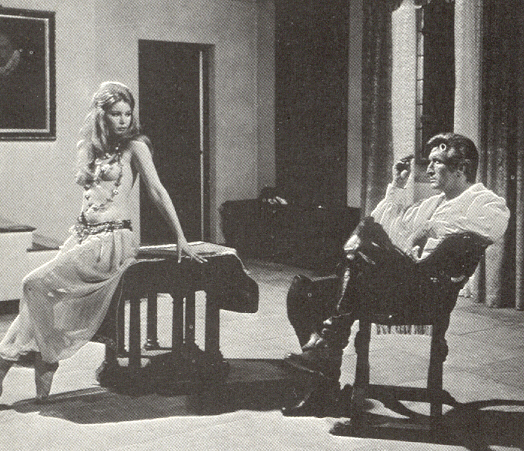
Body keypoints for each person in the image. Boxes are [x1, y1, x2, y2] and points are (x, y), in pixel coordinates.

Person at [0, 81, 205, 402]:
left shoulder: (136, 147)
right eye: (115, 114)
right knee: (39, 293)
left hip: (113, 241)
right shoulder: (88, 146)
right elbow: (90, 199)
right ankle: (21, 360)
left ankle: (35, 358)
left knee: (32, 283)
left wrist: (180, 236)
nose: (123, 120)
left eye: (127, 113)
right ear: (102, 115)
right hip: (84, 237)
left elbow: (157, 191)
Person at [282, 132, 510, 418]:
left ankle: (325, 349)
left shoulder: (486, 201)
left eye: (436, 162)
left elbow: (491, 225)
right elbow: (385, 224)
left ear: (462, 168)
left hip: (425, 295)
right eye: (428, 162)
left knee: (361, 248)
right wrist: (397, 186)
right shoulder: (433, 203)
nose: (428, 169)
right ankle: (323, 386)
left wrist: (429, 228)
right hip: (398, 284)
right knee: (303, 291)